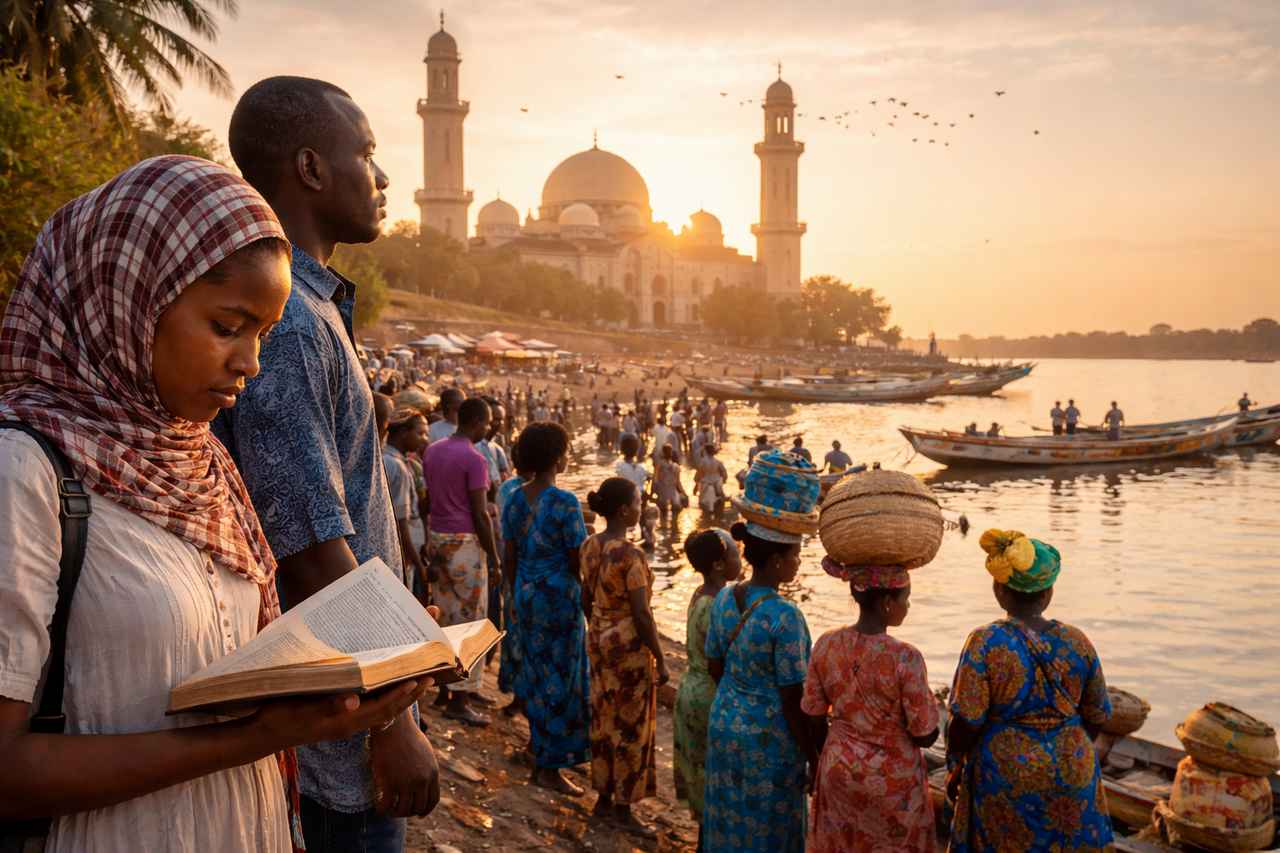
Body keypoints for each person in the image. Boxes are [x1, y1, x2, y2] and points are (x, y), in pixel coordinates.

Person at [0, 156, 430, 851]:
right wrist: (257, 737)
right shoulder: (27, 470)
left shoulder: (203, 466)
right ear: (130, 298)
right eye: (228, 326)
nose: (251, 363)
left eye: (261, 334)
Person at [215, 77, 438, 849]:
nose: (382, 178)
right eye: (367, 153)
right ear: (310, 169)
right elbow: (309, 544)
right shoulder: (292, 330)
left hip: (348, 712)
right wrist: (395, 718)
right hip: (335, 739)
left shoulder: (314, 316)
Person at [946, 530, 1114, 852]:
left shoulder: (985, 641)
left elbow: (966, 720)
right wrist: (1065, 743)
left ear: (999, 591)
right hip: (1072, 764)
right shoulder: (1077, 640)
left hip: (1006, 773)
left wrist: (956, 764)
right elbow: (1098, 714)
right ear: (1048, 593)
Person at [803, 560, 939, 852]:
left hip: (838, 771)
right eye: (906, 598)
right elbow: (924, 733)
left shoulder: (826, 644)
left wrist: (830, 755)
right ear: (887, 603)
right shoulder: (905, 657)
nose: (909, 605)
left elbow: (813, 715)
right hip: (891, 783)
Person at [703, 514, 816, 853]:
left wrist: (739, 696)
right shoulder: (785, 616)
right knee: (770, 826)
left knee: (728, 816)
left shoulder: (723, 598)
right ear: (777, 561)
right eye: (795, 555)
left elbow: (714, 663)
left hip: (724, 723)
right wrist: (813, 754)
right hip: (769, 740)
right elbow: (794, 695)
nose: (798, 562)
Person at [500, 422, 591, 795]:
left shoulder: (515, 498)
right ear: (557, 457)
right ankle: (548, 765)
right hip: (558, 602)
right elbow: (577, 559)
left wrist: (512, 595)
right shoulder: (565, 503)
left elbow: (509, 555)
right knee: (562, 680)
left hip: (526, 595)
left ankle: (537, 746)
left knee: (536, 675)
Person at [581, 478, 668, 836]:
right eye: (637, 501)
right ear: (623, 511)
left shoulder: (589, 544)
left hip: (599, 638)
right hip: (628, 647)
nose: (640, 505)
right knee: (630, 726)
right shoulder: (631, 554)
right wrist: (660, 659)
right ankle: (622, 807)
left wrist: (598, 628)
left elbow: (586, 595)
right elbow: (642, 614)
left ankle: (603, 798)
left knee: (603, 718)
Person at [421, 399, 498, 726]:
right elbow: (480, 513)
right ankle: (460, 699)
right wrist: (493, 557)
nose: (489, 428)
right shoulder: (475, 458)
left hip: (438, 539)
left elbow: (427, 498)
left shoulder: (434, 450)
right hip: (465, 543)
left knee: (445, 618)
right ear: (477, 422)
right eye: (488, 422)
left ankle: (442, 689)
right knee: (469, 621)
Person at [673, 529, 742, 839]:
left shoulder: (700, 593)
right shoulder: (720, 603)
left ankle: (705, 839)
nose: (740, 558)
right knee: (716, 773)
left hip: (692, 686)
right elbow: (723, 660)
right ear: (718, 565)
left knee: (702, 770)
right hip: (710, 694)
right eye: (734, 554)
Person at [383, 409, 429, 593]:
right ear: (403, 432)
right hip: (404, 555)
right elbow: (401, 523)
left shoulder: (391, 459)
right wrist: (419, 565)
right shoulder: (397, 466)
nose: (424, 439)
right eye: (420, 433)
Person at [652, 444, 687, 524]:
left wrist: (652, 493)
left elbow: (655, 480)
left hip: (662, 494)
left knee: (662, 517)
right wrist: (684, 494)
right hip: (673, 495)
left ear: (662, 453)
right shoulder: (676, 467)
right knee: (675, 521)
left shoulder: (659, 465)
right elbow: (678, 483)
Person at [694, 443, 729, 513]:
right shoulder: (718, 462)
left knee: (701, 501)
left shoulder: (702, 462)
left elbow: (698, 475)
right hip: (716, 483)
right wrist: (724, 481)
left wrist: (695, 485)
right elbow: (724, 474)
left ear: (705, 451)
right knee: (722, 495)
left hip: (705, 483)